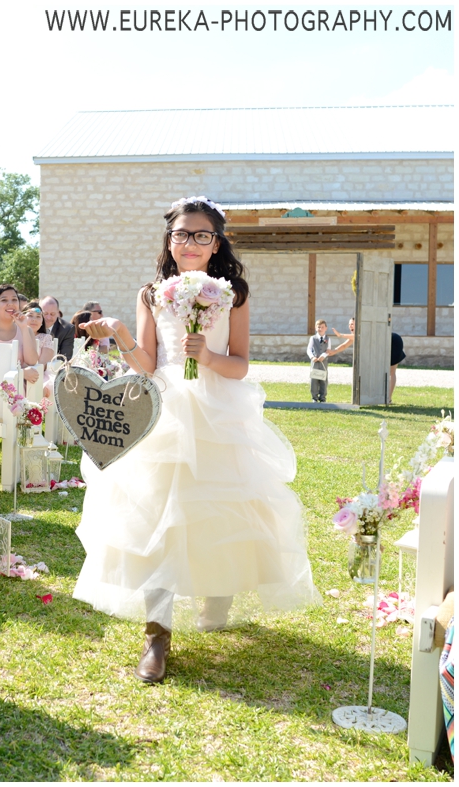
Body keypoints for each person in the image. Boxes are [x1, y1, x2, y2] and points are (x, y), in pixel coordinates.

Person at [73, 196, 321, 684]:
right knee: (156, 517)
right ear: (170, 240)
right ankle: (157, 634)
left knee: (220, 509)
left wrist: (206, 356)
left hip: (220, 410)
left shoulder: (235, 293)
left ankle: (217, 590)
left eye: (202, 234)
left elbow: (241, 363)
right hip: (164, 408)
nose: (190, 242)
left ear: (216, 243)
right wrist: (122, 333)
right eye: (182, 234)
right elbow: (145, 362)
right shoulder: (151, 293)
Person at [0, 283, 41, 387]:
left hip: (19, 392)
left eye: (14, 300)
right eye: (4, 300)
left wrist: (23, 328)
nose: (10, 303)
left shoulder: (27, 330)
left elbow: (32, 362)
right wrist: (20, 373)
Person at [40, 295, 75, 362]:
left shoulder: (67, 329)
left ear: (58, 313)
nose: (48, 317)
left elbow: (65, 358)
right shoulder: (32, 325)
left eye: (52, 314)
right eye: (45, 313)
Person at [307, 320, 331, 403]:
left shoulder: (328, 339)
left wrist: (323, 356)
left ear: (326, 328)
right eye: (319, 327)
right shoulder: (313, 338)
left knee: (323, 379)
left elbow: (328, 350)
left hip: (323, 362)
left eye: (322, 327)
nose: (320, 329)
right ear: (315, 328)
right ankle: (314, 397)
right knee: (314, 379)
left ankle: (323, 397)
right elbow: (309, 349)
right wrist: (312, 357)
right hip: (315, 361)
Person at [389, 332, 406, 404]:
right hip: (393, 341)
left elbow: (355, 337)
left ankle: (388, 399)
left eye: (352, 324)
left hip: (394, 342)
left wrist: (349, 336)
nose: (350, 326)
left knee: (391, 373)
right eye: (349, 324)